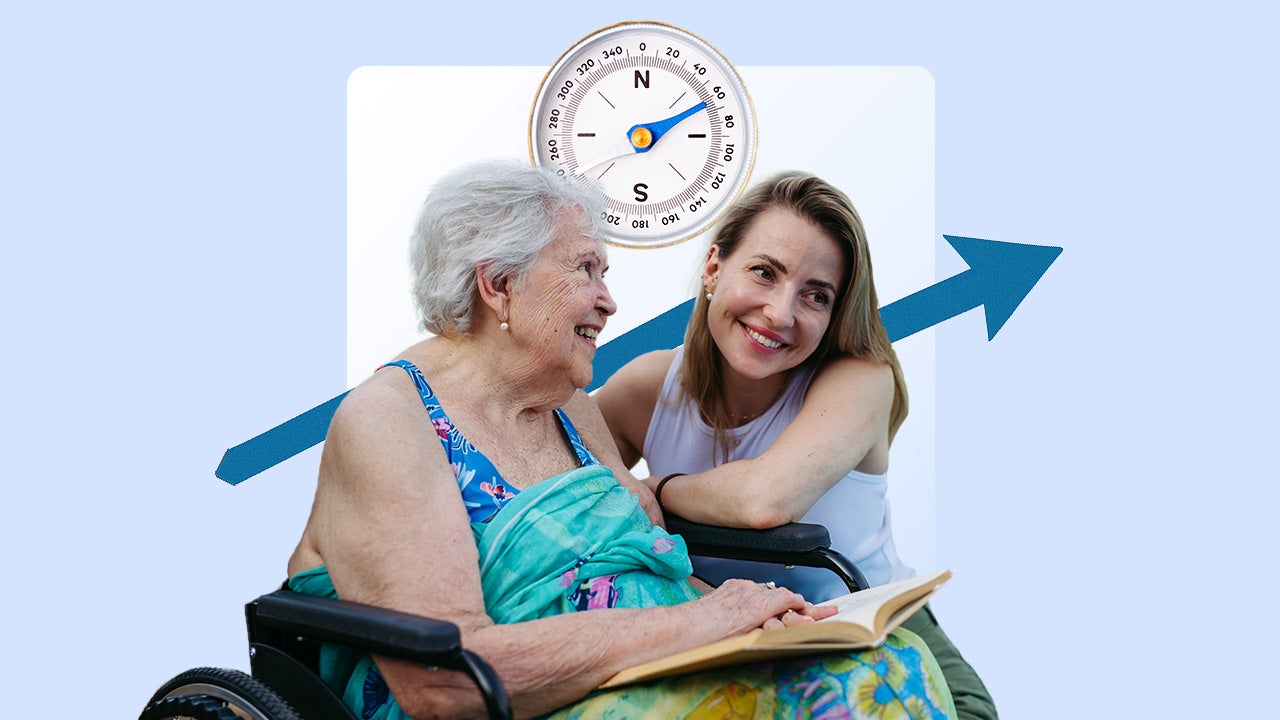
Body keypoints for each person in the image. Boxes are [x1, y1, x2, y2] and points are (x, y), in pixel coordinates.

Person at [286, 160, 955, 719]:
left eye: (815, 294)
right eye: (586, 270)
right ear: (499, 284)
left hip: (661, 664)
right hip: (556, 696)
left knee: (893, 671)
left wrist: (748, 616)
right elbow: (445, 676)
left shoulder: (570, 406)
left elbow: (653, 564)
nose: (608, 301)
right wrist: (704, 620)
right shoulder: (389, 423)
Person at [594, 171, 998, 719]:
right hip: (746, 650)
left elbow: (765, 501)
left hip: (888, 650)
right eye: (764, 273)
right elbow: (555, 476)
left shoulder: (861, 379)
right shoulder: (648, 388)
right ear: (714, 268)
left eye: (816, 296)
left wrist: (653, 488)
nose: (781, 313)